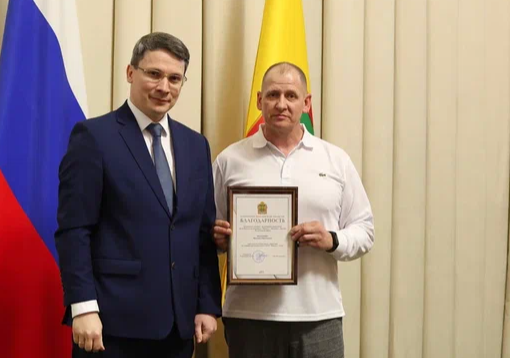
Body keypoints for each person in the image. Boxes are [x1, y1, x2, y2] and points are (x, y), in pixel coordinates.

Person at [55, 32, 221, 358]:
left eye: (174, 78)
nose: (164, 87)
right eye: (154, 74)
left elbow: (201, 233)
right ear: (131, 73)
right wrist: (83, 306)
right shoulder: (94, 137)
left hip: (178, 326)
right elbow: (75, 230)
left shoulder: (195, 145)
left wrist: (207, 303)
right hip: (111, 324)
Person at [213, 62, 374, 358]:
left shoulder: (335, 160)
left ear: (306, 103)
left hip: (319, 316)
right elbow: (209, 233)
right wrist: (219, 241)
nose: (281, 104)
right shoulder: (229, 160)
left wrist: (332, 239)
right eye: (273, 95)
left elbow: (365, 230)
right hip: (249, 316)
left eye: (291, 95)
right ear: (259, 100)